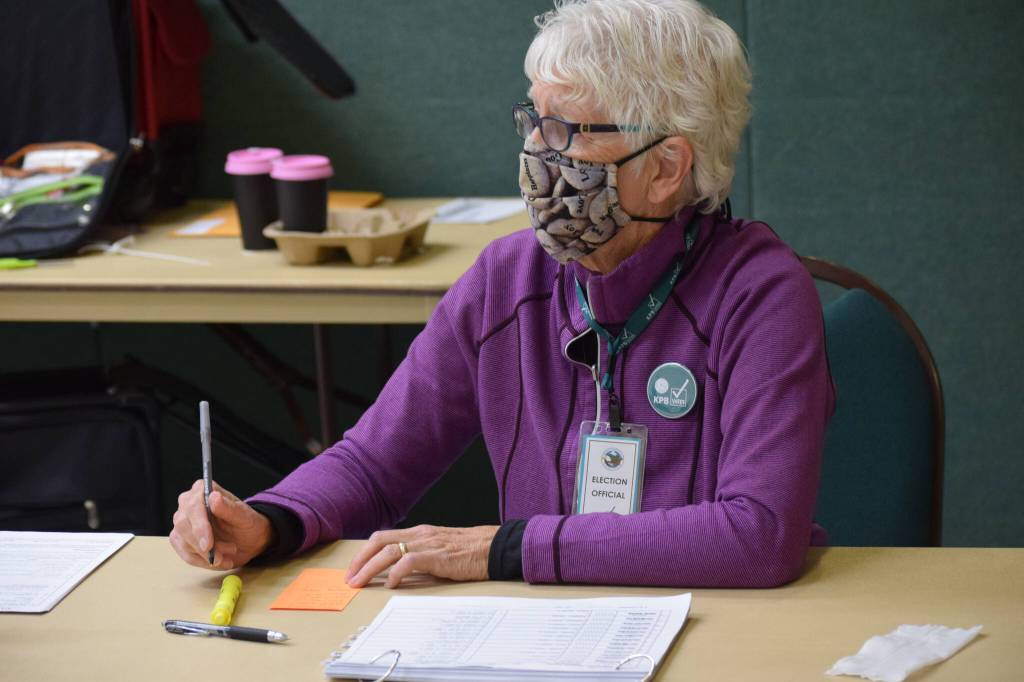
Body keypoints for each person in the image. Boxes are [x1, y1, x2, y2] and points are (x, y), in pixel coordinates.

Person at [170, 0, 833, 589]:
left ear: (665, 169)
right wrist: (269, 520)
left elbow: (758, 536)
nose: (539, 152)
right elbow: (374, 463)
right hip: (541, 643)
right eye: (535, 120)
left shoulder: (761, 293)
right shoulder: (506, 280)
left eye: (572, 131)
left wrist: (507, 549)